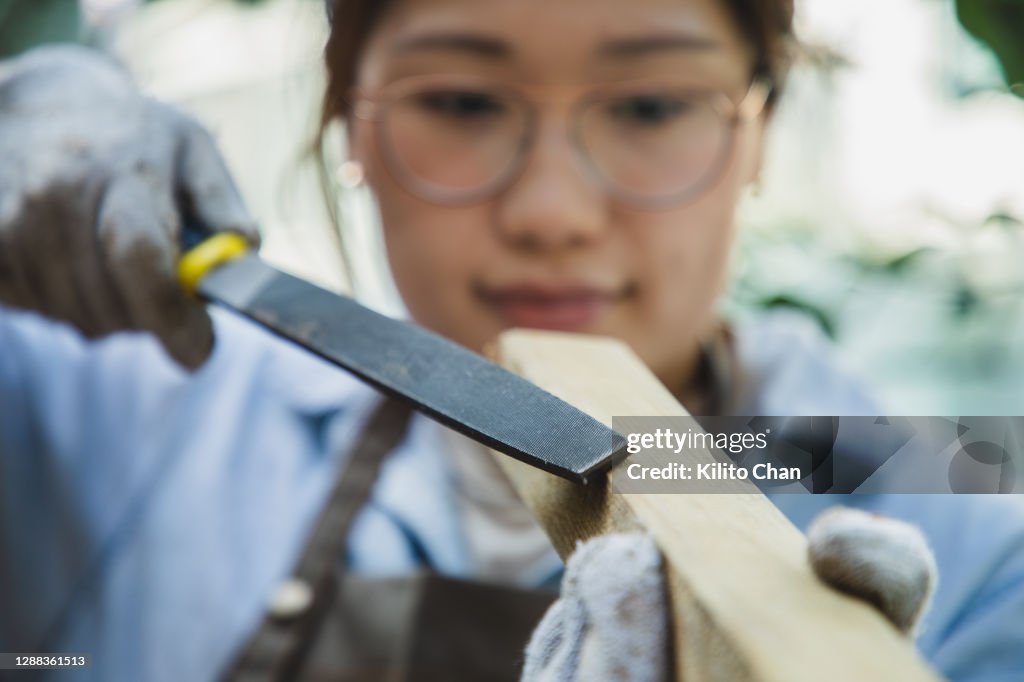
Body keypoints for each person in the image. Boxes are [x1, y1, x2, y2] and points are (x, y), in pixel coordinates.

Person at [1, 1, 1023, 681]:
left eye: (652, 104)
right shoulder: (101, 399)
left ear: (754, 132)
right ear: (350, 124)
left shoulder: (967, 515)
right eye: (461, 101)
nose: (550, 212)